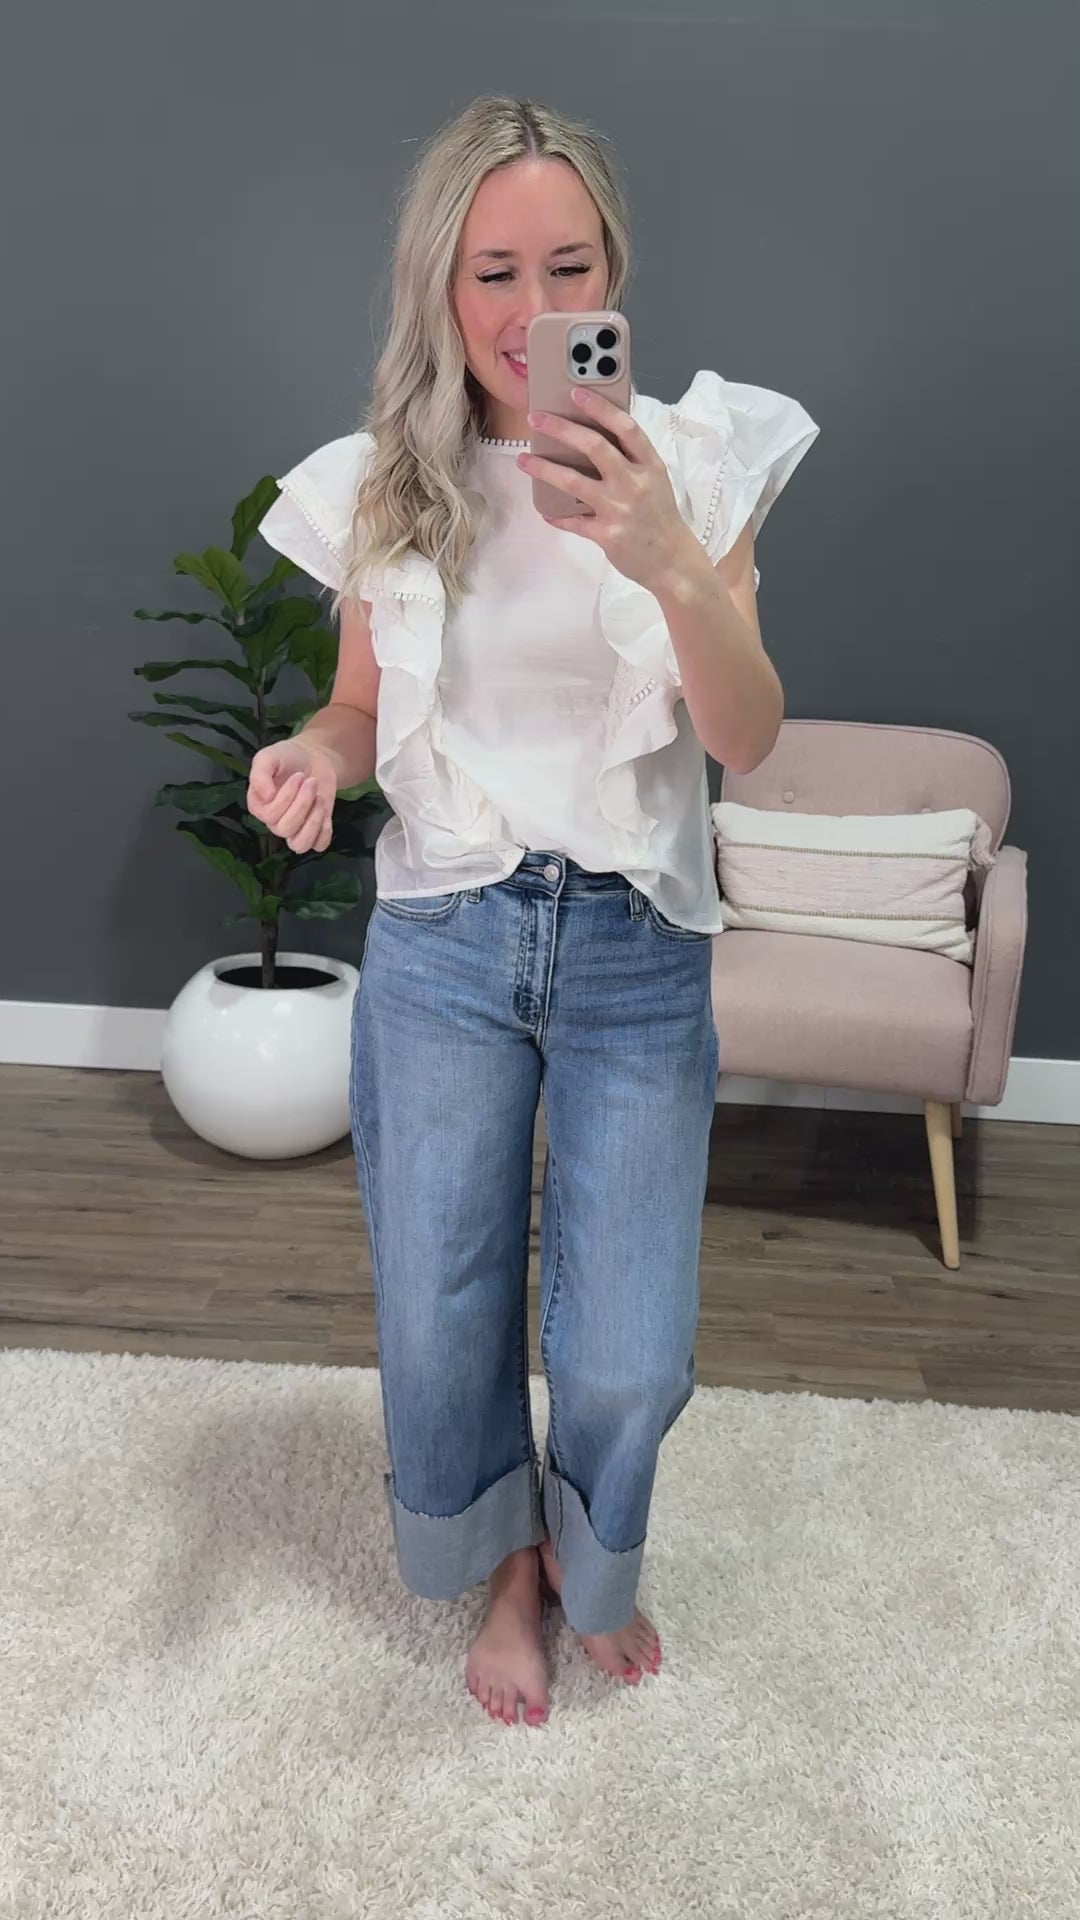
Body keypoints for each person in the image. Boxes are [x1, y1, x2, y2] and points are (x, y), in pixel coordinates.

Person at [248, 93, 818, 1730]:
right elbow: (359, 710)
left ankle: (586, 1551)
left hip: (636, 944)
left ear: (612, 274)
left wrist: (667, 557)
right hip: (446, 936)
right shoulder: (386, 486)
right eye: (493, 271)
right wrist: (316, 753)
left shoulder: (695, 464)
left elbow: (747, 739)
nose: (529, 308)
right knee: (442, 1310)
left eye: (567, 267)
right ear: (440, 282)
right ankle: (506, 1565)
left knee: (629, 1347)